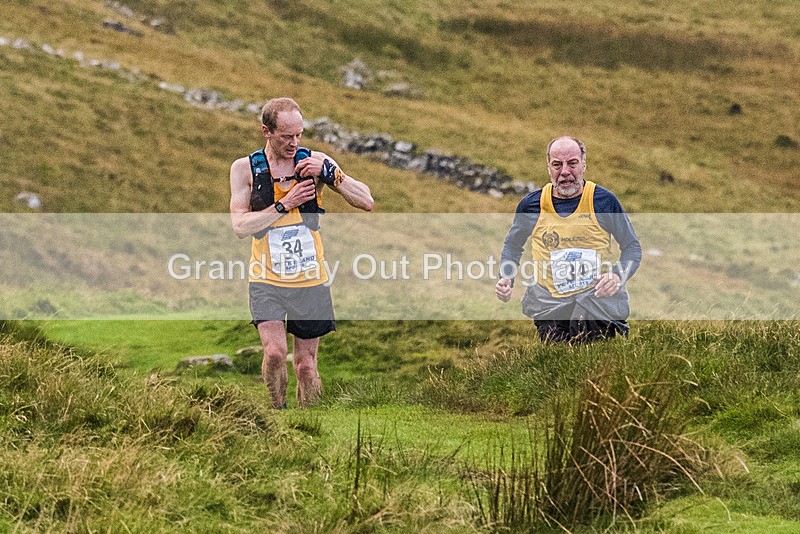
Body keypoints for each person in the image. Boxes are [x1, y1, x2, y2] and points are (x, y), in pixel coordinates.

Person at [230, 97, 374, 408]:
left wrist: (331, 173)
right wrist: (286, 203)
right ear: (266, 131)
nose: (294, 143)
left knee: (306, 367)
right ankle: (277, 413)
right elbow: (240, 226)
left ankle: (308, 423)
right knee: (274, 352)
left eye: (299, 135)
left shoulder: (315, 162)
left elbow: (366, 201)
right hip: (266, 278)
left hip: (310, 278)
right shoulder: (245, 169)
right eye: (286, 136)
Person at [495, 136, 641, 343]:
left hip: (595, 302)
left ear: (583, 164)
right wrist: (506, 277)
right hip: (549, 304)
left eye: (572, 163)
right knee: (558, 365)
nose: (565, 171)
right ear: (549, 168)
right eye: (557, 165)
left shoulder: (604, 201)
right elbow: (513, 245)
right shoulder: (531, 206)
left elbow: (632, 247)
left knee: (593, 364)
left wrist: (617, 276)